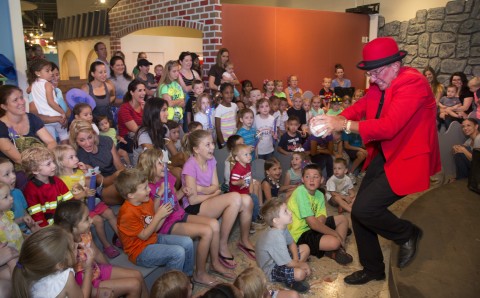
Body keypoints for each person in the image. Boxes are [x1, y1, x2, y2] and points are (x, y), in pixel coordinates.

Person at [311, 37, 441, 284]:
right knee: (361, 212)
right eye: (370, 73)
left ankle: (407, 233)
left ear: (396, 64)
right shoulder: (381, 82)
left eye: (377, 72)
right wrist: (334, 118)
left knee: (364, 208)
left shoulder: (413, 82)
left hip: (406, 156)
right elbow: (362, 106)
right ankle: (373, 270)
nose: (374, 78)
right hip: (384, 154)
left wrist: (344, 124)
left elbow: (390, 126)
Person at [137, 149, 234, 285]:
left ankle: (215, 263)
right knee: (206, 232)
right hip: (165, 224)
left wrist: (182, 191)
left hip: (178, 214)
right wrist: (159, 196)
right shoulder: (147, 190)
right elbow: (152, 216)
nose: (165, 166)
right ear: (150, 167)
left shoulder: (168, 177)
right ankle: (199, 273)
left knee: (214, 224)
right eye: (160, 163)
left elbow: (174, 198)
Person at [182, 130, 255, 268]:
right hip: (194, 208)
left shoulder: (211, 160)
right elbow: (193, 200)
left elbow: (216, 185)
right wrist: (213, 193)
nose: (212, 147)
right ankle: (222, 244)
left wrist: (204, 190)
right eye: (207, 144)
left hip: (207, 200)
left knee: (247, 200)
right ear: (196, 149)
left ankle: (244, 240)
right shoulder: (190, 166)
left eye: (212, 144)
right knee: (234, 198)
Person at [54, 200, 148, 297]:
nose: (91, 220)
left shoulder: (85, 234)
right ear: (72, 227)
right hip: (88, 282)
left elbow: (97, 253)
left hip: (97, 270)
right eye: (86, 219)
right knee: (135, 285)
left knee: (138, 275)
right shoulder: (65, 247)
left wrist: (110, 268)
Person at [115, 168, 194, 274]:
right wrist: (158, 216)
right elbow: (144, 235)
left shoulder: (146, 201)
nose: (149, 190)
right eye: (144, 188)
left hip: (153, 238)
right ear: (131, 195)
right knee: (178, 252)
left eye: (147, 186)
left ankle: (187, 276)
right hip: (139, 251)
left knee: (187, 242)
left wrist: (164, 215)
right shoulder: (127, 213)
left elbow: (155, 228)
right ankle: (173, 287)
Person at [53, 145, 122, 258]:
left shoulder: (79, 172)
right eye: (71, 157)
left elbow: (90, 187)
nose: (76, 159)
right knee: (98, 220)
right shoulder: (61, 181)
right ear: (61, 162)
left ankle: (122, 238)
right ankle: (106, 246)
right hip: (79, 209)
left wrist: (87, 173)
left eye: (75, 156)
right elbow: (69, 200)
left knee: (109, 213)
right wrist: (84, 194)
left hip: (90, 202)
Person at [287, 164, 352, 266]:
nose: (311, 180)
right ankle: (334, 247)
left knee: (343, 219)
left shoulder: (320, 194)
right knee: (335, 241)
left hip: (313, 225)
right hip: (300, 233)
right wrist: (334, 234)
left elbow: (322, 216)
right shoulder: (300, 192)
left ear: (322, 180)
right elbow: (313, 224)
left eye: (315, 177)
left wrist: (320, 226)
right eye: (307, 176)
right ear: (302, 179)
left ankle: (336, 249)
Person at [12, 226, 94, 298]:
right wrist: (88, 269)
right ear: (60, 264)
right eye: (73, 247)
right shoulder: (65, 277)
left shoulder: (29, 274)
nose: (77, 244)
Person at [0, 85, 56, 189]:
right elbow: (18, 159)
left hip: (42, 163)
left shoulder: (31, 118)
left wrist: (46, 161)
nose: (21, 102)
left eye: (21, 97)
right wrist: (42, 166)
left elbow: (51, 142)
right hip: (18, 171)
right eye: (15, 100)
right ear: (4, 106)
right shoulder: (1, 127)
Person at [256, 199, 311, 293]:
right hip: (271, 268)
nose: (290, 212)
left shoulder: (281, 227)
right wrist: (302, 264)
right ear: (276, 220)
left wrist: (296, 261)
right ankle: (289, 281)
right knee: (301, 274)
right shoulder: (276, 236)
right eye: (285, 211)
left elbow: (292, 243)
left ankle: (291, 275)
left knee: (306, 248)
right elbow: (288, 263)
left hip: (279, 259)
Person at [70, 120, 125, 205]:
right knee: (124, 191)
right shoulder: (80, 157)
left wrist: (125, 177)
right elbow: (102, 181)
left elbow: (119, 165)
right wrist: (117, 175)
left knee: (132, 185)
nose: (88, 143)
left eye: (90, 137)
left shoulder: (106, 141)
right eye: (82, 140)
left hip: (118, 177)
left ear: (94, 134)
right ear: (75, 141)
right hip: (102, 187)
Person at [21, 147, 73, 227]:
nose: (54, 166)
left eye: (53, 162)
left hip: (65, 220)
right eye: (48, 164)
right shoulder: (30, 190)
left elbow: (70, 202)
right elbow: (37, 216)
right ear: (35, 170)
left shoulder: (57, 181)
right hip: (49, 228)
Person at [27, 59, 68, 144]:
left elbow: (27, 90)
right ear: (38, 73)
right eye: (47, 71)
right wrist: (62, 113)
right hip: (55, 116)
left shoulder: (34, 84)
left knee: (51, 143)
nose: (51, 73)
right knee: (64, 137)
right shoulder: (48, 84)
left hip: (46, 120)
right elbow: (51, 102)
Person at [0, 158, 39, 234]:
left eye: (13, 172)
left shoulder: (18, 192)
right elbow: (6, 225)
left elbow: (24, 212)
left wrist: (30, 223)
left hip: (26, 231)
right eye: (7, 174)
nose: (14, 176)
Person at [229, 143, 261, 225]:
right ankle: (251, 221)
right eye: (246, 154)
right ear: (237, 158)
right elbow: (233, 181)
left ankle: (254, 218)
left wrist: (251, 189)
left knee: (254, 199)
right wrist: (241, 181)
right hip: (237, 194)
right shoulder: (237, 169)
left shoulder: (248, 166)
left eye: (249, 154)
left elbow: (250, 177)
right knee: (253, 201)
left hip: (245, 191)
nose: (249, 156)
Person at [118, 80, 145, 158]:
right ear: (132, 92)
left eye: (144, 90)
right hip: (128, 140)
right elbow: (135, 129)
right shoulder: (125, 108)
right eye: (140, 90)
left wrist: (146, 111)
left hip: (141, 136)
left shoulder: (144, 105)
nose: (143, 93)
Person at [234, 266, 301, 298]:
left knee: (294, 295)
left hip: (270, 295)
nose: (266, 288)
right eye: (264, 287)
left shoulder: (265, 293)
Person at [0, 180, 23, 254]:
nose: (11, 198)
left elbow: (10, 225)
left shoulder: (6, 213)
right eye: (6, 197)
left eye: (10, 194)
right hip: (11, 256)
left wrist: (21, 219)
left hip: (20, 248)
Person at [215, 83, 238, 148]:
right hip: (224, 140)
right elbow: (218, 129)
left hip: (234, 139)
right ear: (221, 94)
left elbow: (236, 118)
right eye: (226, 93)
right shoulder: (219, 109)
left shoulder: (234, 105)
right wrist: (222, 143)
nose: (229, 95)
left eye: (231, 92)